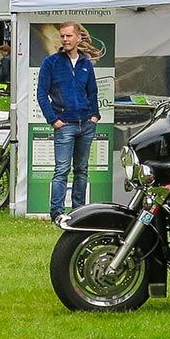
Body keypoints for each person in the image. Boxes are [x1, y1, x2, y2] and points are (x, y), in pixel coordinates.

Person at [37, 21, 101, 226]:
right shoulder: (51, 63)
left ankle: (79, 212)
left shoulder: (86, 64)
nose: (65, 39)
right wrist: (53, 119)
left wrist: (95, 115)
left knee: (81, 170)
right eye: (62, 36)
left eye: (68, 36)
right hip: (65, 124)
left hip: (86, 123)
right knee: (61, 170)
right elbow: (41, 94)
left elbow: (92, 91)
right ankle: (57, 213)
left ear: (78, 37)